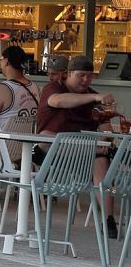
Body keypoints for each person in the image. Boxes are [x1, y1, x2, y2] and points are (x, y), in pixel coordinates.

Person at [36, 55, 118, 238]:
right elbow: (58, 101)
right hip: (50, 156)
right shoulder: (53, 88)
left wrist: (105, 135)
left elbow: (107, 132)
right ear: (69, 74)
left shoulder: (94, 98)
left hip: (81, 160)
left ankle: (109, 220)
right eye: (81, 75)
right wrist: (95, 96)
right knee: (48, 137)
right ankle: (92, 150)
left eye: (89, 76)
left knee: (102, 159)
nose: (85, 80)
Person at [0, 45, 38, 128]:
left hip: (3, 140)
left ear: (6, 61)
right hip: (27, 139)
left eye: (1, 60)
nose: (0, 63)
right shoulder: (34, 87)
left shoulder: (2, 89)